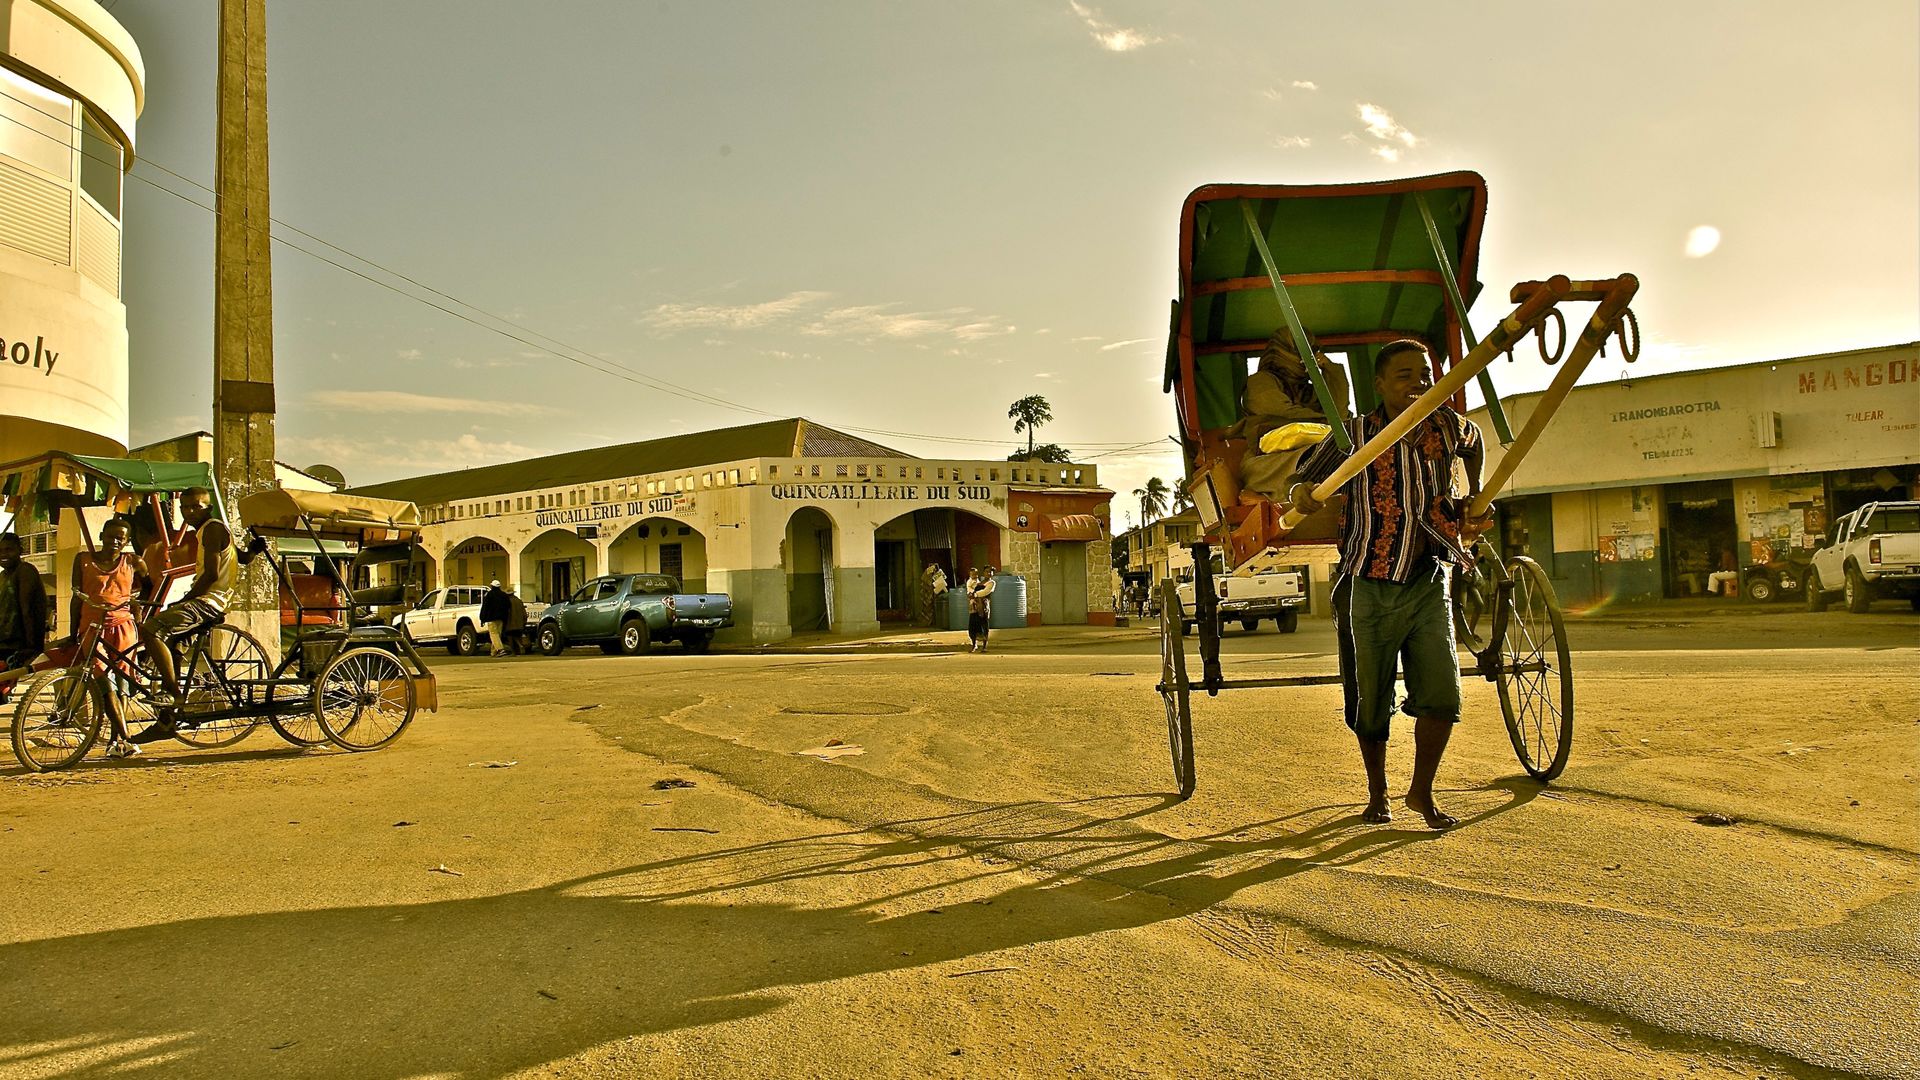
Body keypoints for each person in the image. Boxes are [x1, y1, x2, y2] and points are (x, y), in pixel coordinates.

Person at [1288, 339, 1491, 830]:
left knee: (1442, 692)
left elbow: (1476, 440)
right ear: (1379, 385)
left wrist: (1476, 491)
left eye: (1423, 373)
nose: (1418, 382)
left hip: (1429, 578)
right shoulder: (1354, 434)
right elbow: (1304, 479)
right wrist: (1302, 494)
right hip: (1369, 581)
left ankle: (1421, 792)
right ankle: (1376, 794)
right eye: (1404, 375)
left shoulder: (1446, 424)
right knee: (1370, 695)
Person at [131, 486, 235, 742]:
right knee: (173, 645)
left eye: (195, 506)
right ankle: (167, 721)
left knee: (151, 629)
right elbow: (240, 556)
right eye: (185, 508)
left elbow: (210, 575)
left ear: (208, 507)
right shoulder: (210, 530)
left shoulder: (211, 529)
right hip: (209, 599)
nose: (189, 512)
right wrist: (252, 551)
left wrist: (185, 599)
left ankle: (173, 693)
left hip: (208, 601)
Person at [1234, 329, 1353, 501]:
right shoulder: (1260, 381)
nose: (1307, 358)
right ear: (1282, 352)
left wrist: (1331, 370)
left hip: (1322, 451)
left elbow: (1340, 414)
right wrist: (1328, 421)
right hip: (1269, 462)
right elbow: (1285, 413)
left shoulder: (1310, 390)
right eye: (1301, 351)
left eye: (1312, 352)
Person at [68, 519, 151, 758]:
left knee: (122, 682)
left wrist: (137, 606)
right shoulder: (83, 560)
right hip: (91, 627)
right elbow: (77, 597)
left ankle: (117, 742)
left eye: (120, 538)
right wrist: (73, 632)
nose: (114, 542)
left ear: (126, 541)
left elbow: (150, 585)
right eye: (111, 536)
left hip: (123, 627)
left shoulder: (133, 561)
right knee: (103, 679)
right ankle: (127, 738)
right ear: (102, 535)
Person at [1, 532, 53, 695]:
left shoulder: (25, 570)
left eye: (9, 550)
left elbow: (27, 609)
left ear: (20, 550)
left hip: (16, 643)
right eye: (0, 551)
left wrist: (32, 645)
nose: (4, 555)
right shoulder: (3, 576)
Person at [968, 568, 997, 653]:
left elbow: (986, 592)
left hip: (983, 606)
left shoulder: (991, 583)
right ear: (983, 573)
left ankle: (984, 646)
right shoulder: (978, 582)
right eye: (986, 572)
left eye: (990, 572)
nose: (988, 573)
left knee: (984, 624)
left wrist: (975, 594)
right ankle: (974, 645)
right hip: (975, 605)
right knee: (973, 625)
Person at [480, 580, 511, 656]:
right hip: (501, 619)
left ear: (492, 586)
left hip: (491, 619)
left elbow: (485, 607)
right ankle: (494, 652)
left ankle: (500, 649)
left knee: (493, 635)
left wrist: (482, 618)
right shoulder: (504, 595)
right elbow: (508, 606)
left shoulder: (489, 595)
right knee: (498, 635)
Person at [504, 584, 530, 655]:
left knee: (510, 637)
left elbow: (505, 613)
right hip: (519, 623)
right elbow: (524, 613)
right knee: (517, 636)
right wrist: (524, 622)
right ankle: (520, 646)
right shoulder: (519, 601)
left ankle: (514, 651)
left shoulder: (507, 602)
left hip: (510, 623)